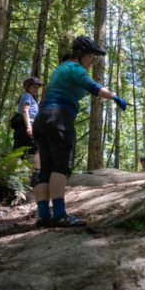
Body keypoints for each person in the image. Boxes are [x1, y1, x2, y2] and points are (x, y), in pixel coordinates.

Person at [33, 36, 129, 228]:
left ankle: (44, 216)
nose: (93, 61)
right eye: (92, 56)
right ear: (80, 54)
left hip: (43, 119)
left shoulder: (61, 68)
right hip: (59, 116)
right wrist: (115, 96)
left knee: (46, 167)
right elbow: (93, 87)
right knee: (61, 165)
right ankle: (59, 214)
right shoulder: (75, 68)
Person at [13, 77, 45, 182]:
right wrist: (28, 127)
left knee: (18, 153)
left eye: (37, 87)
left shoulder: (31, 98)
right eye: (34, 87)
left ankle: (13, 178)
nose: (36, 89)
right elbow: (25, 111)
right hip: (26, 126)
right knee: (39, 150)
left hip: (20, 127)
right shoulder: (28, 96)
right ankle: (37, 176)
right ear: (27, 87)